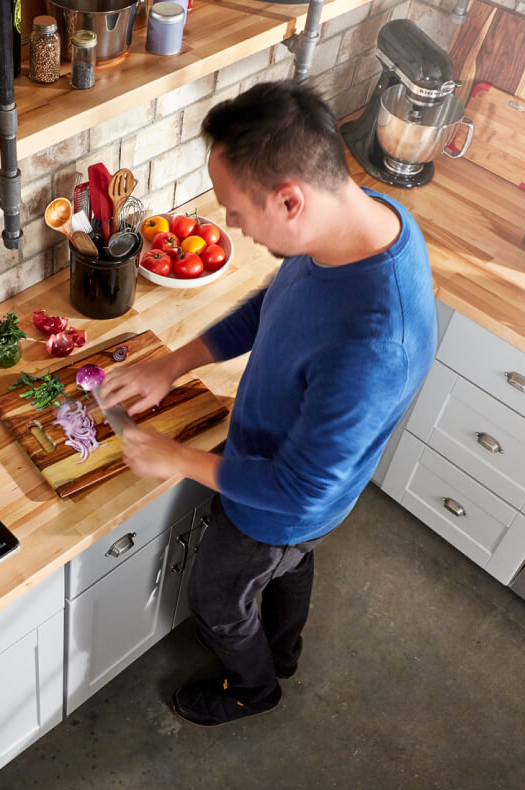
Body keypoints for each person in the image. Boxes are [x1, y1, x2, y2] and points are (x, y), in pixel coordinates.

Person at [97, 80, 436, 727]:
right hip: (291, 485)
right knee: (290, 566)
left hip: (277, 505)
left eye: (233, 208)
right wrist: (175, 363)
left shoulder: (374, 341)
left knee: (218, 597)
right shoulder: (353, 220)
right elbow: (273, 306)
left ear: (289, 199)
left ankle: (255, 688)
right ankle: (282, 651)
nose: (228, 222)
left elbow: (297, 492)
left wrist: (173, 457)